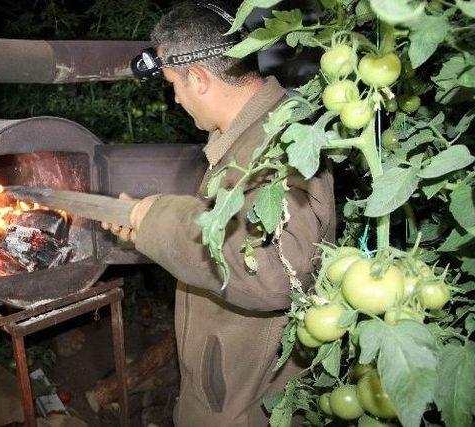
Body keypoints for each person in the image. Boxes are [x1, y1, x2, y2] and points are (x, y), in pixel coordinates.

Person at [104, 2, 336, 426]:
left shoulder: (281, 146)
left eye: (174, 84)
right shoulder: (244, 136)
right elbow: (228, 238)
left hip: (244, 407)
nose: (175, 97)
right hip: (223, 389)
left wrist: (159, 220)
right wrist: (144, 227)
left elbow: (274, 274)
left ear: (199, 77)